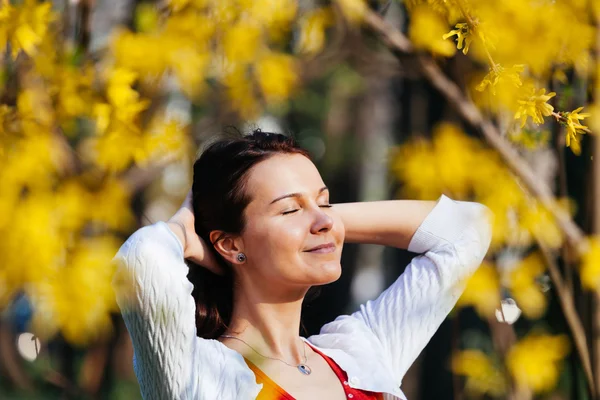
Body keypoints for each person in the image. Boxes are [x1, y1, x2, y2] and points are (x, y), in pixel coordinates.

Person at [112, 130, 493, 400]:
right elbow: (142, 262)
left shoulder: (360, 354)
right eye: (289, 208)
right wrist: (183, 229)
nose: (324, 219)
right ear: (229, 244)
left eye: (324, 201)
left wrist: (317, 221)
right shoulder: (199, 375)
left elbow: (467, 230)